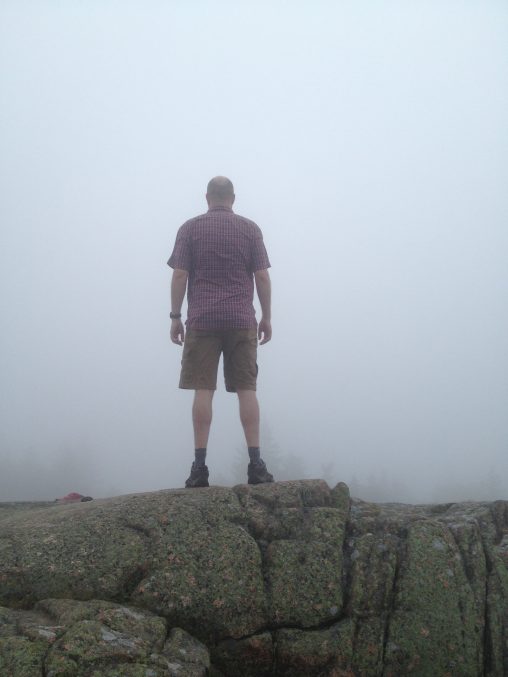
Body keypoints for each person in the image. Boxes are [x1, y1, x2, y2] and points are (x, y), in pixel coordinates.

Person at [167, 176, 274, 488]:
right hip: (241, 319)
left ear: (207, 197)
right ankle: (256, 465)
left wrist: (175, 316)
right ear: (233, 198)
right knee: (247, 389)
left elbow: (179, 275)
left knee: (204, 389)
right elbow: (263, 278)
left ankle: (199, 467)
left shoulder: (190, 228)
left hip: (202, 319)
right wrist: (266, 317)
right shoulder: (250, 229)